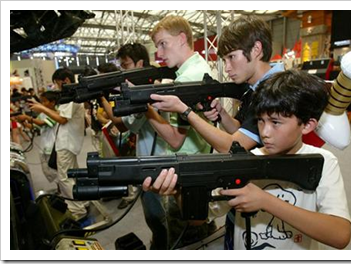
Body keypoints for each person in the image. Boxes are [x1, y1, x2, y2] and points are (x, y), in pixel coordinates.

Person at [143, 69, 351, 250]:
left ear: (307, 125)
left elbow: (340, 235)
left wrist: (265, 201)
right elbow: (199, 219)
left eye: (276, 122)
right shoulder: (244, 160)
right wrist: (180, 190)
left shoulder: (324, 161)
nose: (265, 132)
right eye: (260, 121)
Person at [149, 15, 284, 248]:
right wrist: (222, 115)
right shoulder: (255, 88)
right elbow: (246, 133)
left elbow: (234, 145)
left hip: (271, 194)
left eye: (232, 57)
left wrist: (185, 111)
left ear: (257, 49)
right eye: (224, 59)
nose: (227, 67)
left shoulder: (273, 90)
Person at [100, 43, 171, 249]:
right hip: (148, 158)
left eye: (126, 65)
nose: (123, 70)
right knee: (155, 217)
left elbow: (125, 124)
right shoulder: (141, 90)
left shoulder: (152, 90)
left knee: (157, 217)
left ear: (140, 63)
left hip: (157, 162)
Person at [29, 68, 88, 221]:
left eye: (56, 83)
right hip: (68, 142)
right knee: (74, 175)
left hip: (67, 143)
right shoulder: (71, 95)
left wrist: (42, 108)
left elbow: (62, 119)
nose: (55, 87)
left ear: (66, 81)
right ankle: (82, 202)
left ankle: (77, 210)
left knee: (65, 177)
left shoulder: (72, 96)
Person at [16, 91, 59, 184]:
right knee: (47, 170)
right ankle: (60, 189)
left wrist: (27, 117)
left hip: (53, 147)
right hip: (44, 146)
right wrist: (22, 121)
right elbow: (34, 127)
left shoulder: (55, 113)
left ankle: (63, 191)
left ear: (53, 102)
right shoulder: (42, 114)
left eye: (44, 101)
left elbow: (42, 123)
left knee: (56, 170)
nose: (42, 104)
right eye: (41, 102)